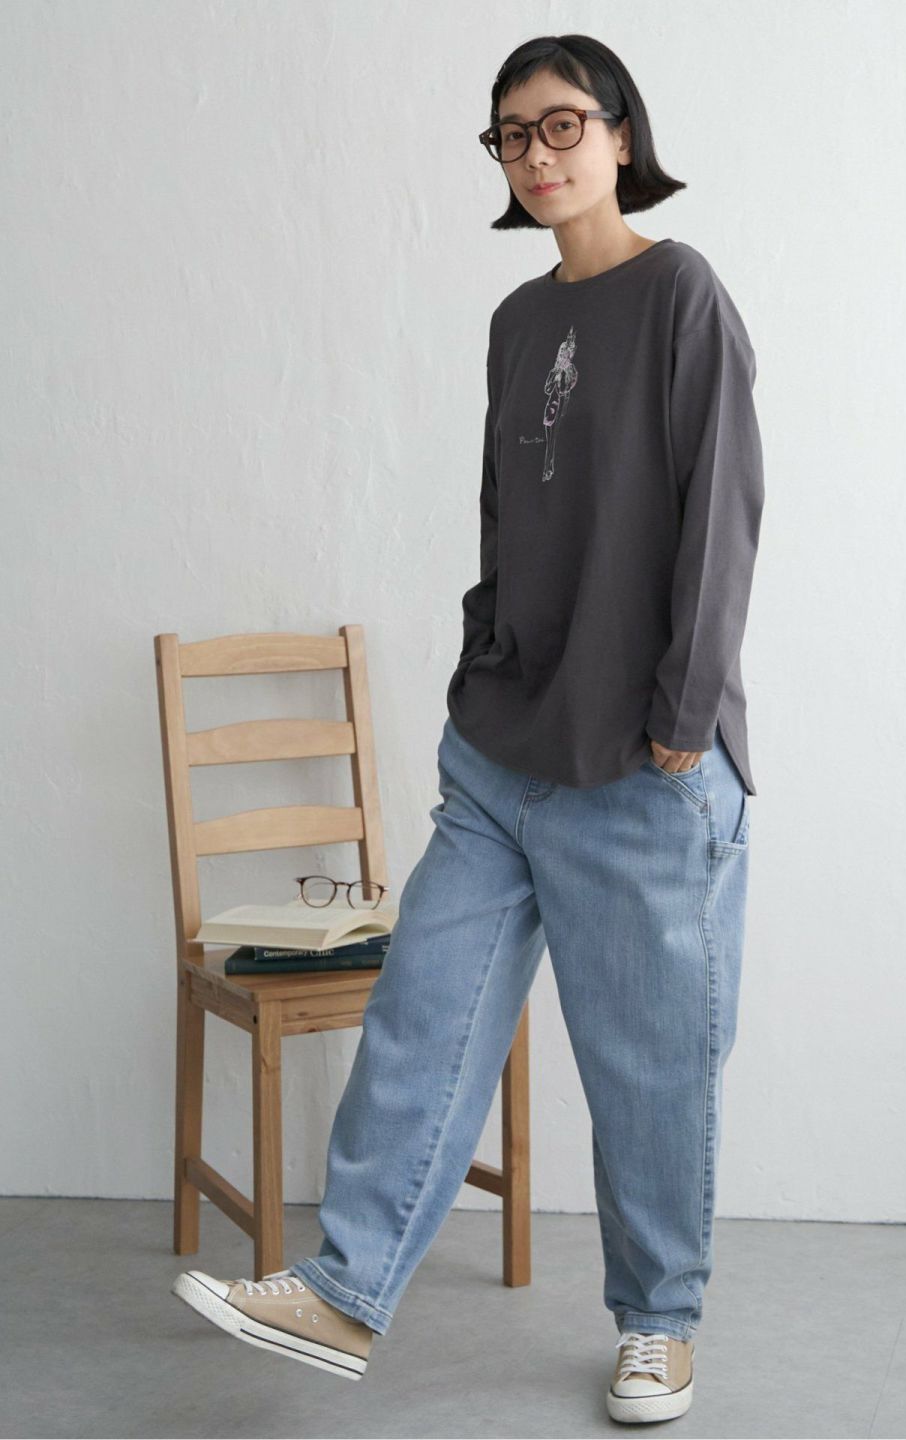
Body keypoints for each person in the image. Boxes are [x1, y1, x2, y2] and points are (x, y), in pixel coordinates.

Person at [172, 32, 765, 1426]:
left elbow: (724, 511)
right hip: (503, 751)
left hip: (643, 762)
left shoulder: (682, 292)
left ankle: (659, 1326)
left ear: (620, 135)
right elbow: (509, 516)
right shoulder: (515, 320)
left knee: (646, 1074)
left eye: (562, 125)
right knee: (422, 1015)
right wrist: (479, 666)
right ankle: (344, 1291)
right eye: (511, 135)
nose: (537, 154)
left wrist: (682, 719)